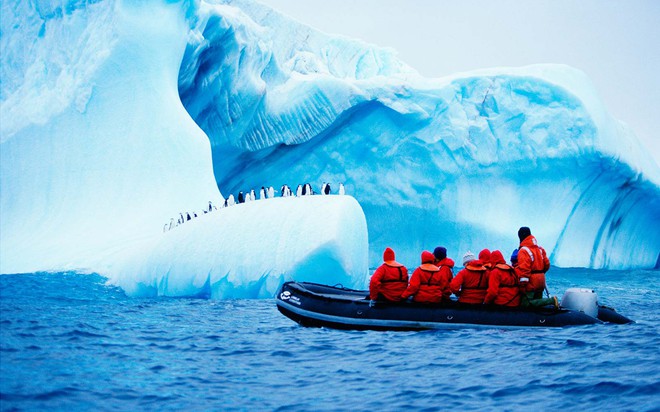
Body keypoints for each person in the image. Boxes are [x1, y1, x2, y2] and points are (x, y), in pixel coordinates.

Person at [515, 227, 558, 308]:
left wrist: (522, 286)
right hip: (541, 280)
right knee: (538, 306)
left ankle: (551, 300)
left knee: (525, 304)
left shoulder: (523, 251)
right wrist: (540, 274)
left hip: (531, 282)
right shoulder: (540, 249)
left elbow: (524, 271)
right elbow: (547, 264)